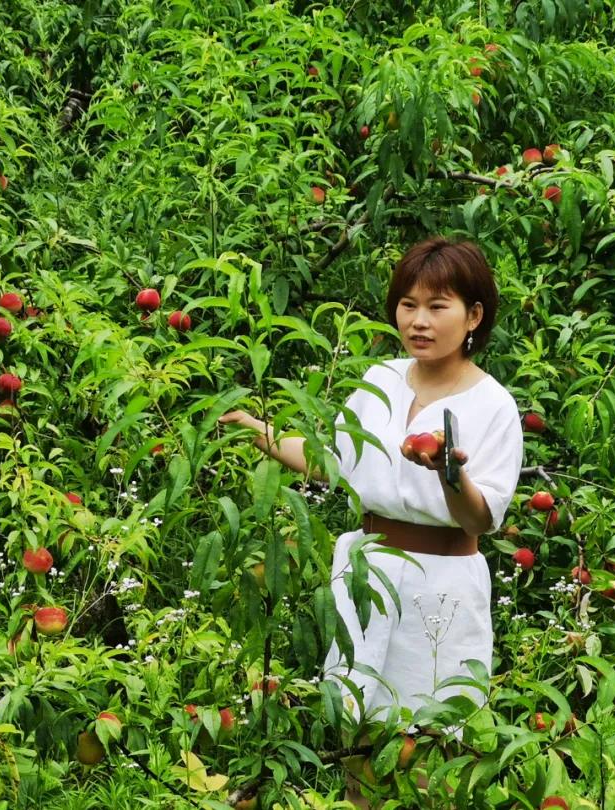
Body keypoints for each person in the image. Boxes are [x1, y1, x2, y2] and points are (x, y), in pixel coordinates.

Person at [219, 236, 524, 806]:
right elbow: (330, 459)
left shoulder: (492, 406)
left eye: (438, 306)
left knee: (432, 737)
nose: (420, 320)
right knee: (360, 731)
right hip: (368, 570)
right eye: (409, 304)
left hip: (442, 586)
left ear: (474, 315)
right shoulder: (380, 380)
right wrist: (254, 429)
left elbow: (479, 519)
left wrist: (448, 474)